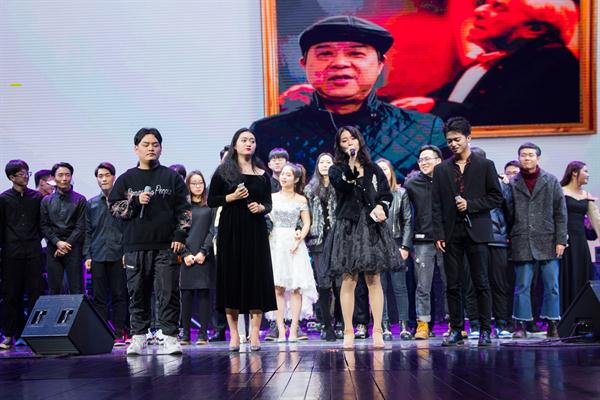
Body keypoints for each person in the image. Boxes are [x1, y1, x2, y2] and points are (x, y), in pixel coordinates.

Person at [251, 15, 448, 180]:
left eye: (356, 53)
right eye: (325, 53)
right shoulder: (266, 133)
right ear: (304, 64)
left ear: (380, 64)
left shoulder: (425, 131)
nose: (340, 63)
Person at [395, 0, 580, 125]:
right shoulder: (486, 63)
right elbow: (443, 99)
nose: (479, 11)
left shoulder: (555, 63)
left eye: (498, 7)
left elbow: (506, 118)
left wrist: (434, 107)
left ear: (534, 29)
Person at [109, 128, 191, 355]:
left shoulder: (172, 178)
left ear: (161, 148)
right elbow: (114, 209)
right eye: (146, 144)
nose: (151, 148)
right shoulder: (126, 179)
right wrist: (135, 201)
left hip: (166, 246)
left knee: (168, 292)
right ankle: (138, 336)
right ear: (136, 148)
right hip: (135, 246)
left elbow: (184, 210)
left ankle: (170, 336)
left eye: (155, 144)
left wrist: (180, 235)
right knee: (137, 293)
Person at [325, 126, 401, 349]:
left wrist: (381, 207)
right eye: (344, 140)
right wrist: (350, 163)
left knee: (373, 279)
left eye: (353, 138)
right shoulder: (336, 169)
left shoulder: (373, 168)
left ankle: (377, 330)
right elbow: (343, 185)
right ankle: (349, 330)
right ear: (340, 145)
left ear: (360, 140)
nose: (350, 143)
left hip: (371, 226)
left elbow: (386, 195)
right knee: (349, 279)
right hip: (348, 226)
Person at [432, 117, 503, 346]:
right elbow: (436, 204)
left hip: (477, 231)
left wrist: (470, 205)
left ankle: (484, 330)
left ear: (468, 138)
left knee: (481, 282)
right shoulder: (441, 169)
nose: (453, 144)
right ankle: (456, 329)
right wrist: (439, 233)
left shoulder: (485, 165)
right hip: (451, 232)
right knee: (452, 284)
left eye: (457, 140)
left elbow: (496, 197)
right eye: (449, 141)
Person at [207, 128, 276, 352]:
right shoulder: (224, 171)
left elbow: (269, 203)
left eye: (252, 140)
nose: (249, 143)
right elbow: (211, 200)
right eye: (244, 140)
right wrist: (232, 197)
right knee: (232, 279)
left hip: (255, 230)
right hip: (231, 229)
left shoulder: (262, 173)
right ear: (235, 144)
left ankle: (254, 334)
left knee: (256, 278)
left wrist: (261, 207)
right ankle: (235, 334)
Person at [509, 142, 567, 338]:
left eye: (530, 155)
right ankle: (521, 324)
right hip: (521, 239)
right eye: (523, 155)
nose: (526, 158)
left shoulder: (550, 180)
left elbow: (560, 213)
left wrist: (561, 240)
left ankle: (552, 323)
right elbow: (508, 212)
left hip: (548, 239)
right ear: (519, 158)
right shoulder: (513, 183)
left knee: (552, 285)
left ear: (537, 158)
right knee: (522, 286)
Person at [268, 163, 318, 342]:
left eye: (288, 175)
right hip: (275, 242)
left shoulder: (301, 200)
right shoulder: (272, 197)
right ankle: (281, 330)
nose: (283, 177)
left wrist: (299, 238)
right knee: (278, 287)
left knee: (296, 287)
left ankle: (295, 329)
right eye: (282, 174)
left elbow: (307, 223)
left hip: (294, 243)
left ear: (296, 179)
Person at [404, 145, 448, 340]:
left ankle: (454, 323)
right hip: (422, 241)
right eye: (421, 160)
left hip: (447, 240)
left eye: (428, 159)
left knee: (450, 283)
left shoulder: (449, 180)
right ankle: (423, 323)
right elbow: (406, 215)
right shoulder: (412, 184)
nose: (423, 163)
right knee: (423, 285)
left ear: (439, 160)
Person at [0, 160, 44, 350]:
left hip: (33, 251)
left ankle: (35, 334)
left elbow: (41, 224)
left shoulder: (37, 197)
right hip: (11, 253)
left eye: (27, 172)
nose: (25, 176)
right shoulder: (3, 199)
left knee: (36, 294)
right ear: (11, 177)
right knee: (11, 295)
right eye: (21, 174)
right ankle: (10, 334)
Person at [83, 162, 128, 346]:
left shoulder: (123, 202)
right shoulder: (91, 203)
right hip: (98, 254)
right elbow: (87, 231)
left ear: (114, 177)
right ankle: (102, 333)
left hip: (119, 255)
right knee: (99, 297)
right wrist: (87, 255)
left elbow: (128, 229)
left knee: (119, 295)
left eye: (107, 175)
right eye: (100, 176)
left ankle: (119, 332)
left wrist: (127, 252)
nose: (104, 179)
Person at [304, 153, 343, 341]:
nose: (325, 165)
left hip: (339, 240)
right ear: (317, 166)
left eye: (328, 162)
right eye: (322, 162)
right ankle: (327, 325)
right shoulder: (310, 189)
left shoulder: (340, 186)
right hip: (318, 241)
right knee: (324, 284)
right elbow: (305, 216)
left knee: (340, 284)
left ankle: (341, 323)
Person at [375, 158, 412, 341]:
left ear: (391, 172)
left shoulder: (401, 193)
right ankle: (384, 326)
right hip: (377, 244)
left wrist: (405, 246)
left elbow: (408, 221)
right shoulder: (371, 195)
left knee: (400, 287)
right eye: (379, 169)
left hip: (397, 243)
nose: (383, 172)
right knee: (380, 288)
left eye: (386, 169)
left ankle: (404, 326)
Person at [180, 170, 217, 345]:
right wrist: (185, 254)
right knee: (186, 296)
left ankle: (203, 334)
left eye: (200, 183)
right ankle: (186, 335)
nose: (197, 186)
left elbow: (212, 230)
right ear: (188, 185)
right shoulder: (183, 207)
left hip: (204, 256)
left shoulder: (209, 206)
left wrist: (203, 251)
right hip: (187, 256)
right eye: (194, 183)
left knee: (204, 295)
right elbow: (178, 231)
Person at [559, 161, 600, 314]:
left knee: (582, 275)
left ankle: (583, 315)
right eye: (585, 171)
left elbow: (596, 221)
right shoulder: (560, 192)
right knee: (565, 276)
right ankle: (563, 315)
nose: (588, 175)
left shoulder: (587, 196)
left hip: (580, 242)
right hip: (564, 241)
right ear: (574, 172)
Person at [40, 162, 87, 295]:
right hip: (53, 247)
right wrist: (58, 243)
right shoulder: (46, 200)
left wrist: (66, 245)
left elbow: (80, 226)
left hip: (74, 247)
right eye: (60, 175)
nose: (64, 178)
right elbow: (44, 225)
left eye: (67, 175)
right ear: (53, 178)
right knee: (54, 289)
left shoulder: (80, 199)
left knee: (76, 288)